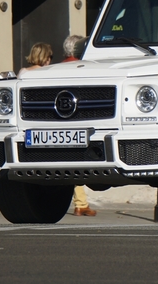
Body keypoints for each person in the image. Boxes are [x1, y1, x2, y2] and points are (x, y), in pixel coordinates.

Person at [62, 35, 97, 217]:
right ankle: (81, 204)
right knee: (77, 163)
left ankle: (81, 203)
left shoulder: (58, 69)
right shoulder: (84, 68)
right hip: (79, 123)